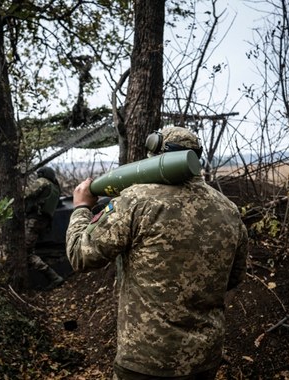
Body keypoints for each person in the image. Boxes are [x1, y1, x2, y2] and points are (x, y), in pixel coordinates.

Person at [66, 126, 249, 379]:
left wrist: (81, 208)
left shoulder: (136, 201)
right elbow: (234, 278)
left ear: (157, 157)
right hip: (204, 359)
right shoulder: (228, 210)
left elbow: (79, 254)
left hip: (146, 360)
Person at [25, 166, 65, 290]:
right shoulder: (55, 188)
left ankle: (54, 277)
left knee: (26, 254)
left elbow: (26, 193)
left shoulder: (43, 182)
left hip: (33, 220)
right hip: (42, 222)